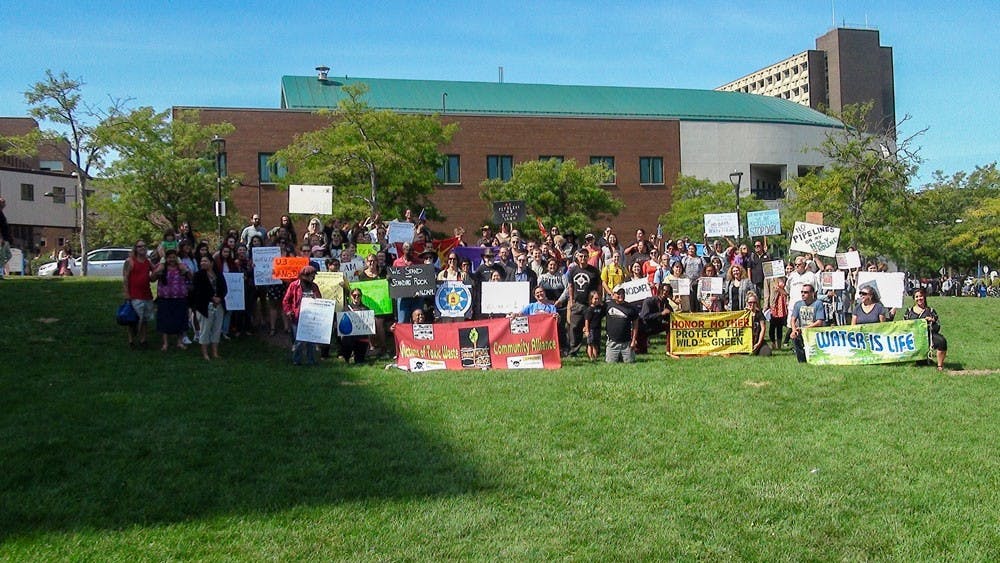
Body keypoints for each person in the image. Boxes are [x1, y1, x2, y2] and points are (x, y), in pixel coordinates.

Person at [152, 249, 192, 351]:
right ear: (166, 258)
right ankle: (165, 343)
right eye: (169, 257)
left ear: (177, 258)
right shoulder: (161, 267)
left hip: (180, 297)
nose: (171, 260)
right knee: (164, 320)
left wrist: (185, 269)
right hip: (165, 298)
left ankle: (179, 342)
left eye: (174, 257)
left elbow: (191, 277)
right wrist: (158, 270)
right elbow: (152, 278)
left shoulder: (182, 267)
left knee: (180, 320)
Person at [190, 255, 228, 360]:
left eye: (205, 261)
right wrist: (211, 298)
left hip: (219, 305)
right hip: (204, 306)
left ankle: (215, 352)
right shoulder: (198, 276)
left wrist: (220, 297)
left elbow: (224, 288)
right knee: (205, 330)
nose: (202, 263)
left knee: (217, 328)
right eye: (201, 261)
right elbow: (198, 291)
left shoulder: (218, 274)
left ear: (211, 262)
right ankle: (205, 353)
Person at [282, 265, 321, 365]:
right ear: (304, 276)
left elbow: (320, 299)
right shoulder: (294, 285)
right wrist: (288, 311)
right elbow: (286, 301)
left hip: (311, 318)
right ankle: (296, 360)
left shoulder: (314, 286)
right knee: (298, 341)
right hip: (297, 317)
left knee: (311, 341)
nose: (313, 278)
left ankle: (311, 361)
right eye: (312, 276)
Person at [566, 248, 601, 356]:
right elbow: (570, 286)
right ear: (577, 257)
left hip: (590, 304)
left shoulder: (594, 271)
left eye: (585, 256)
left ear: (588, 257)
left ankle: (594, 350)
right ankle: (573, 350)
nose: (583, 258)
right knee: (574, 327)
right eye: (581, 256)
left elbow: (599, 287)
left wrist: (598, 299)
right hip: (577, 303)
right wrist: (571, 301)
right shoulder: (573, 270)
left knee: (593, 328)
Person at [904, 288, 948, 371]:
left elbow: (937, 326)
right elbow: (904, 326)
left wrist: (932, 320)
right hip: (914, 338)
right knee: (921, 363)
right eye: (916, 297)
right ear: (914, 298)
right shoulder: (909, 311)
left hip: (928, 335)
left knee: (942, 341)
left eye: (921, 296)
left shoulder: (931, 311)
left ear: (924, 297)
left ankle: (939, 366)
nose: (919, 298)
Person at [122, 240, 155, 348]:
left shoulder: (148, 261)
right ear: (135, 248)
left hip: (147, 294)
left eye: (144, 246)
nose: (142, 248)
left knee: (145, 319)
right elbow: (125, 278)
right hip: (135, 295)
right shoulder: (130, 261)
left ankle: (143, 340)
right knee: (133, 319)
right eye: (139, 246)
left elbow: (153, 275)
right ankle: (131, 340)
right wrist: (127, 293)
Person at [789, 283, 826, 363]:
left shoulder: (818, 303)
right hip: (802, 331)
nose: (803, 294)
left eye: (806, 292)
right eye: (802, 292)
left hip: (814, 332)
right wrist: (794, 330)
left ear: (812, 293)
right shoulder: (798, 304)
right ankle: (801, 361)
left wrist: (805, 328)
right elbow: (792, 319)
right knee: (795, 336)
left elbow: (819, 322)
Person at [605, 285, 639, 363]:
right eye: (618, 293)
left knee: (630, 363)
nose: (621, 295)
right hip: (612, 342)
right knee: (610, 364)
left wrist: (633, 340)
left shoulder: (631, 308)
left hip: (626, 343)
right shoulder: (607, 305)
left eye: (623, 293)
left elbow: (635, 324)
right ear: (613, 295)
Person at [340, 287, 371, 364]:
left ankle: (358, 356)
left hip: (361, 337)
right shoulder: (346, 308)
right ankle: (347, 356)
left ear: (361, 296)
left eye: (359, 295)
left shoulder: (366, 309)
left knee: (360, 361)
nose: (356, 297)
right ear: (351, 296)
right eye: (354, 295)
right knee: (346, 343)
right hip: (349, 337)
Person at [746, 291, 771, 356]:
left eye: (754, 302)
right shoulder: (743, 314)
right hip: (746, 341)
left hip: (757, 340)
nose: (752, 304)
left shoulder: (759, 314)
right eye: (750, 302)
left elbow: (763, 328)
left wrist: (759, 343)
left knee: (767, 353)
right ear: (746, 303)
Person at [582, 290, 605, 361]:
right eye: (595, 299)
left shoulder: (600, 308)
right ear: (591, 299)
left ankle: (595, 357)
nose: (597, 300)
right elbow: (587, 320)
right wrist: (587, 330)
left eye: (598, 299)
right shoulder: (589, 310)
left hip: (598, 329)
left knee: (596, 344)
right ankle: (590, 357)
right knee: (590, 344)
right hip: (591, 329)